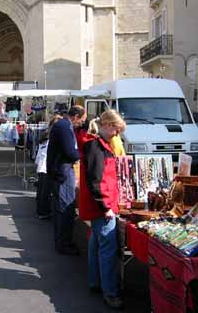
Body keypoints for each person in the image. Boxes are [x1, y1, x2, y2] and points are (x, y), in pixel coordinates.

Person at [80, 110, 126, 309]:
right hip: (103, 206)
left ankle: (95, 282)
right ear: (107, 125)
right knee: (107, 248)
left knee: (95, 244)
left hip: (101, 205)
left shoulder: (98, 145)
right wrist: (106, 206)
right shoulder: (97, 147)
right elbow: (96, 181)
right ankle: (110, 292)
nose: (117, 133)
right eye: (116, 129)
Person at [47, 105, 86, 255]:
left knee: (63, 208)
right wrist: (83, 155)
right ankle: (64, 243)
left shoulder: (63, 125)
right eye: (81, 120)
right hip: (62, 172)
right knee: (65, 208)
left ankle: (62, 242)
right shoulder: (64, 126)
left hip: (60, 171)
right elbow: (71, 152)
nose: (81, 123)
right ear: (75, 116)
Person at [35, 115, 62, 220]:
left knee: (41, 190)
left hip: (42, 166)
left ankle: (40, 211)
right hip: (46, 167)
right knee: (45, 191)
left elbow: (40, 153)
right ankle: (43, 212)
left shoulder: (45, 136)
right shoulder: (52, 138)